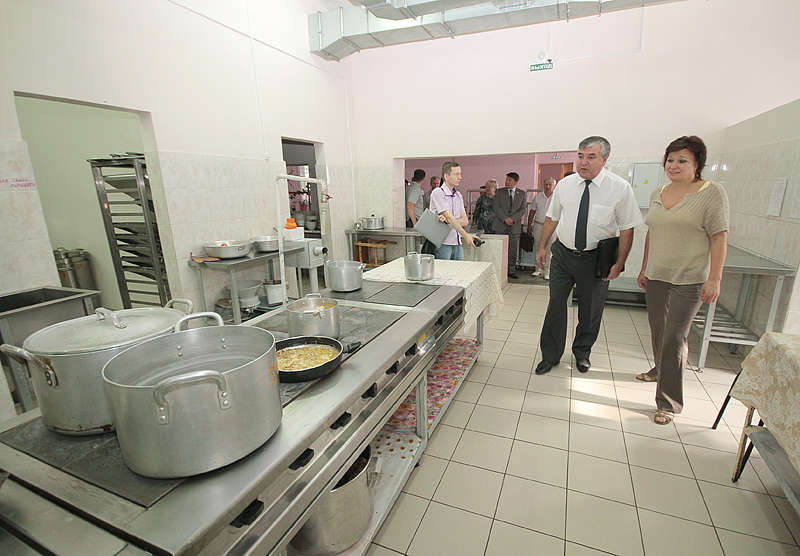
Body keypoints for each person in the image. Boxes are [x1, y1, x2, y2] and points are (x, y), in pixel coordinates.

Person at [636, 136, 729, 425]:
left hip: (689, 279)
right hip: (657, 276)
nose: (673, 165)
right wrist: (644, 268)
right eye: (670, 159)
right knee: (658, 331)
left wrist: (714, 279)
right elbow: (652, 232)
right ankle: (659, 370)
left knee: (675, 336)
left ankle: (668, 402)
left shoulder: (712, 192)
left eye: (682, 160)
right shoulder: (659, 192)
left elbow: (719, 237)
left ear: (697, 163)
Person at [534, 136, 643, 376]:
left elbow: (627, 228)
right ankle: (550, 355)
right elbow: (552, 217)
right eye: (580, 156)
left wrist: (619, 263)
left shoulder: (619, 188)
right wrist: (542, 247)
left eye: (591, 157)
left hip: (595, 259)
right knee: (555, 305)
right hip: (562, 255)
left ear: (604, 159)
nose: (583, 162)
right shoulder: (565, 185)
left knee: (591, 309)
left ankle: (582, 352)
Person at [428, 161, 478, 260]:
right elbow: (450, 217)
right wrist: (466, 235)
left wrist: (447, 220)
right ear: (446, 176)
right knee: (443, 270)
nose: (460, 177)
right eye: (456, 174)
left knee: (459, 269)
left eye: (460, 174)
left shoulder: (458, 195)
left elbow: (465, 221)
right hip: (443, 243)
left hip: (457, 241)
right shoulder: (438, 193)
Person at [492, 172, 528, 279]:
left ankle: (511, 270)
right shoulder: (499, 192)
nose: (506, 182)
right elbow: (496, 207)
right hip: (500, 225)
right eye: (506, 179)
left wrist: (513, 219)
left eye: (509, 180)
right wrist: (505, 219)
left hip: (514, 226)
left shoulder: (522, 194)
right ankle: (498, 270)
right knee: (498, 249)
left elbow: (523, 209)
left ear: (515, 182)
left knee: (512, 249)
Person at [530, 177, 556, 278]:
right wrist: (529, 225)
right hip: (539, 225)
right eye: (546, 184)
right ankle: (538, 269)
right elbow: (532, 211)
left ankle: (547, 271)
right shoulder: (538, 197)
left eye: (550, 184)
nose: (548, 186)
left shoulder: (557, 197)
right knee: (538, 246)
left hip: (551, 226)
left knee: (550, 248)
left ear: (554, 186)